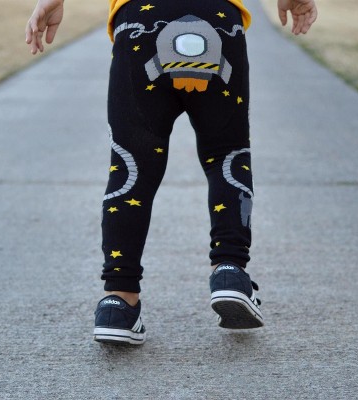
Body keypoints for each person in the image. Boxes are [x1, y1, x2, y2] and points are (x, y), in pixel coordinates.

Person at [26, 0, 317, 345]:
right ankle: (230, 272)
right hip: (218, 20)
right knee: (226, 154)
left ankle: (118, 301)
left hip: (140, 21)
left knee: (131, 167)